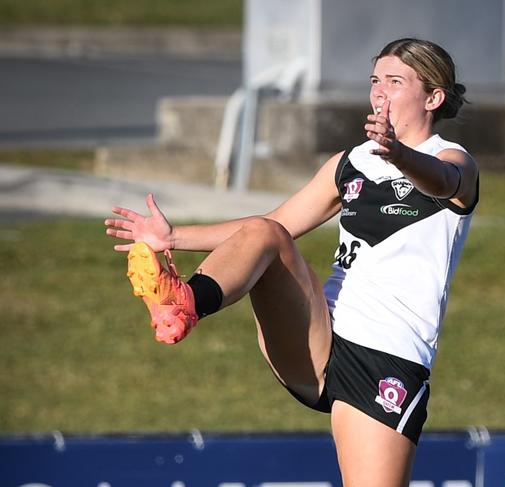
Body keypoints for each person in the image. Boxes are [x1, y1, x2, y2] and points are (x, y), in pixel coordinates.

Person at [105, 38, 479, 486]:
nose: (380, 93)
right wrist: (174, 237)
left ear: (433, 97)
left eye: (396, 82)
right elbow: (272, 225)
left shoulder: (453, 160)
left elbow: (446, 182)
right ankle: (183, 301)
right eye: (375, 81)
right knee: (267, 233)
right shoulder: (351, 163)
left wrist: (398, 153)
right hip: (317, 334)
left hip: (388, 357)